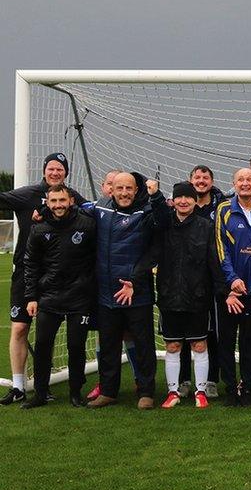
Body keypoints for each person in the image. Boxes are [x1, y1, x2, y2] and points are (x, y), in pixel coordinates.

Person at [0, 153, 87, 405]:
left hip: (59, 279)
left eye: (60, 169)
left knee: (52, 334)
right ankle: (18, 387)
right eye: (51, 168)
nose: (55, 173)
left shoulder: (72, 197)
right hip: (27, 271)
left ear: (66, 173)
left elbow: (93, 213)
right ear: (44, 170)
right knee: (20, 328)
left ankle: (47, 384)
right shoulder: (26, 194)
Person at [85, 172, 165, 409]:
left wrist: (134, 278)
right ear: (111, 189)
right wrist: (44, 212)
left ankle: (146, 392)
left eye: (128, 188)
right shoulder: (100, 208)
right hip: (106, 292)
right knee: (108, 344)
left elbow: (163, 227)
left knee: (143, 344)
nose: (123, 193)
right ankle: (108, 391)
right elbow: (71, 210)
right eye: (119, 188)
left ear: (136, 189)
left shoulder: (147, 211)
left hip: (136, 292)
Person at [20, 185, 96, 408]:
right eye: (53, 201)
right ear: (47, 203)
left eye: (62, 200)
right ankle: (41, 394)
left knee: (76, 346)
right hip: (49, 297)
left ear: (70, 200)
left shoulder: (87, 224)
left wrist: (90, 288)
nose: (58, 205)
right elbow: (31, 265)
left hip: (79, 297)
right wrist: (31, 297)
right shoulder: (39, 228)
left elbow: (96, 258)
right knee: (43, 345)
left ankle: (75, 393)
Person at [157, 182, 228, 409]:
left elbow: (214, 262)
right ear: (173, 200)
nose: (184, 201)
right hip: (169, 297)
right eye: (179, 197)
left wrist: (222, 290)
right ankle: (173, 392)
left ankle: (200, 391)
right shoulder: (164, 225)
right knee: (173, 346)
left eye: (188, 197)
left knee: (199, 344)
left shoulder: (206, 226)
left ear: (195, 201)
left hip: (198, 297)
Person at [215, 168, 251, 407]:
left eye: (250, 180)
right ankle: (229, 388)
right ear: (234, 183)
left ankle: (247, 387)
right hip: (231, 292)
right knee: (226, 341)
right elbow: (220, 249)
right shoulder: (224, 210)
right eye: (241, 180)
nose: (245, 184)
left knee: (250, 343)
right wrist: (231, 281)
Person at [176, 164, 226, 401]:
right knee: (184, 335)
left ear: (211, 181)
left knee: (211, 333)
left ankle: (212, 380)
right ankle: (185, 380)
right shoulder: (181, 207)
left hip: (210, 281)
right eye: (197, 177)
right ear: (191, 181)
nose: (201, 180)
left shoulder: (221, 205)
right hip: (184, 282)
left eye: (205, 177)